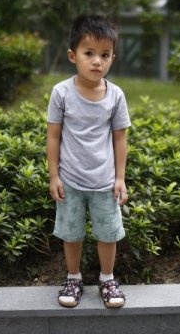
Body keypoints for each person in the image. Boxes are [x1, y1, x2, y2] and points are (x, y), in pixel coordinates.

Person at [46, 15, 131, 308]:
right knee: (71, 234)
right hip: (70, 181)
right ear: (73, 56)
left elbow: (120, 139)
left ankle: (107, 279)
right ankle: (73, 278)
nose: (97, 61)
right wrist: (54, 176)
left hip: (104, 182)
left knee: (108, 234)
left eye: (105, 55)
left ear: (112, 59)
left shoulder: (115, 95)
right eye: (89, 53)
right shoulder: (61, 93)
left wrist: (120, 178)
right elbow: (53, 136)